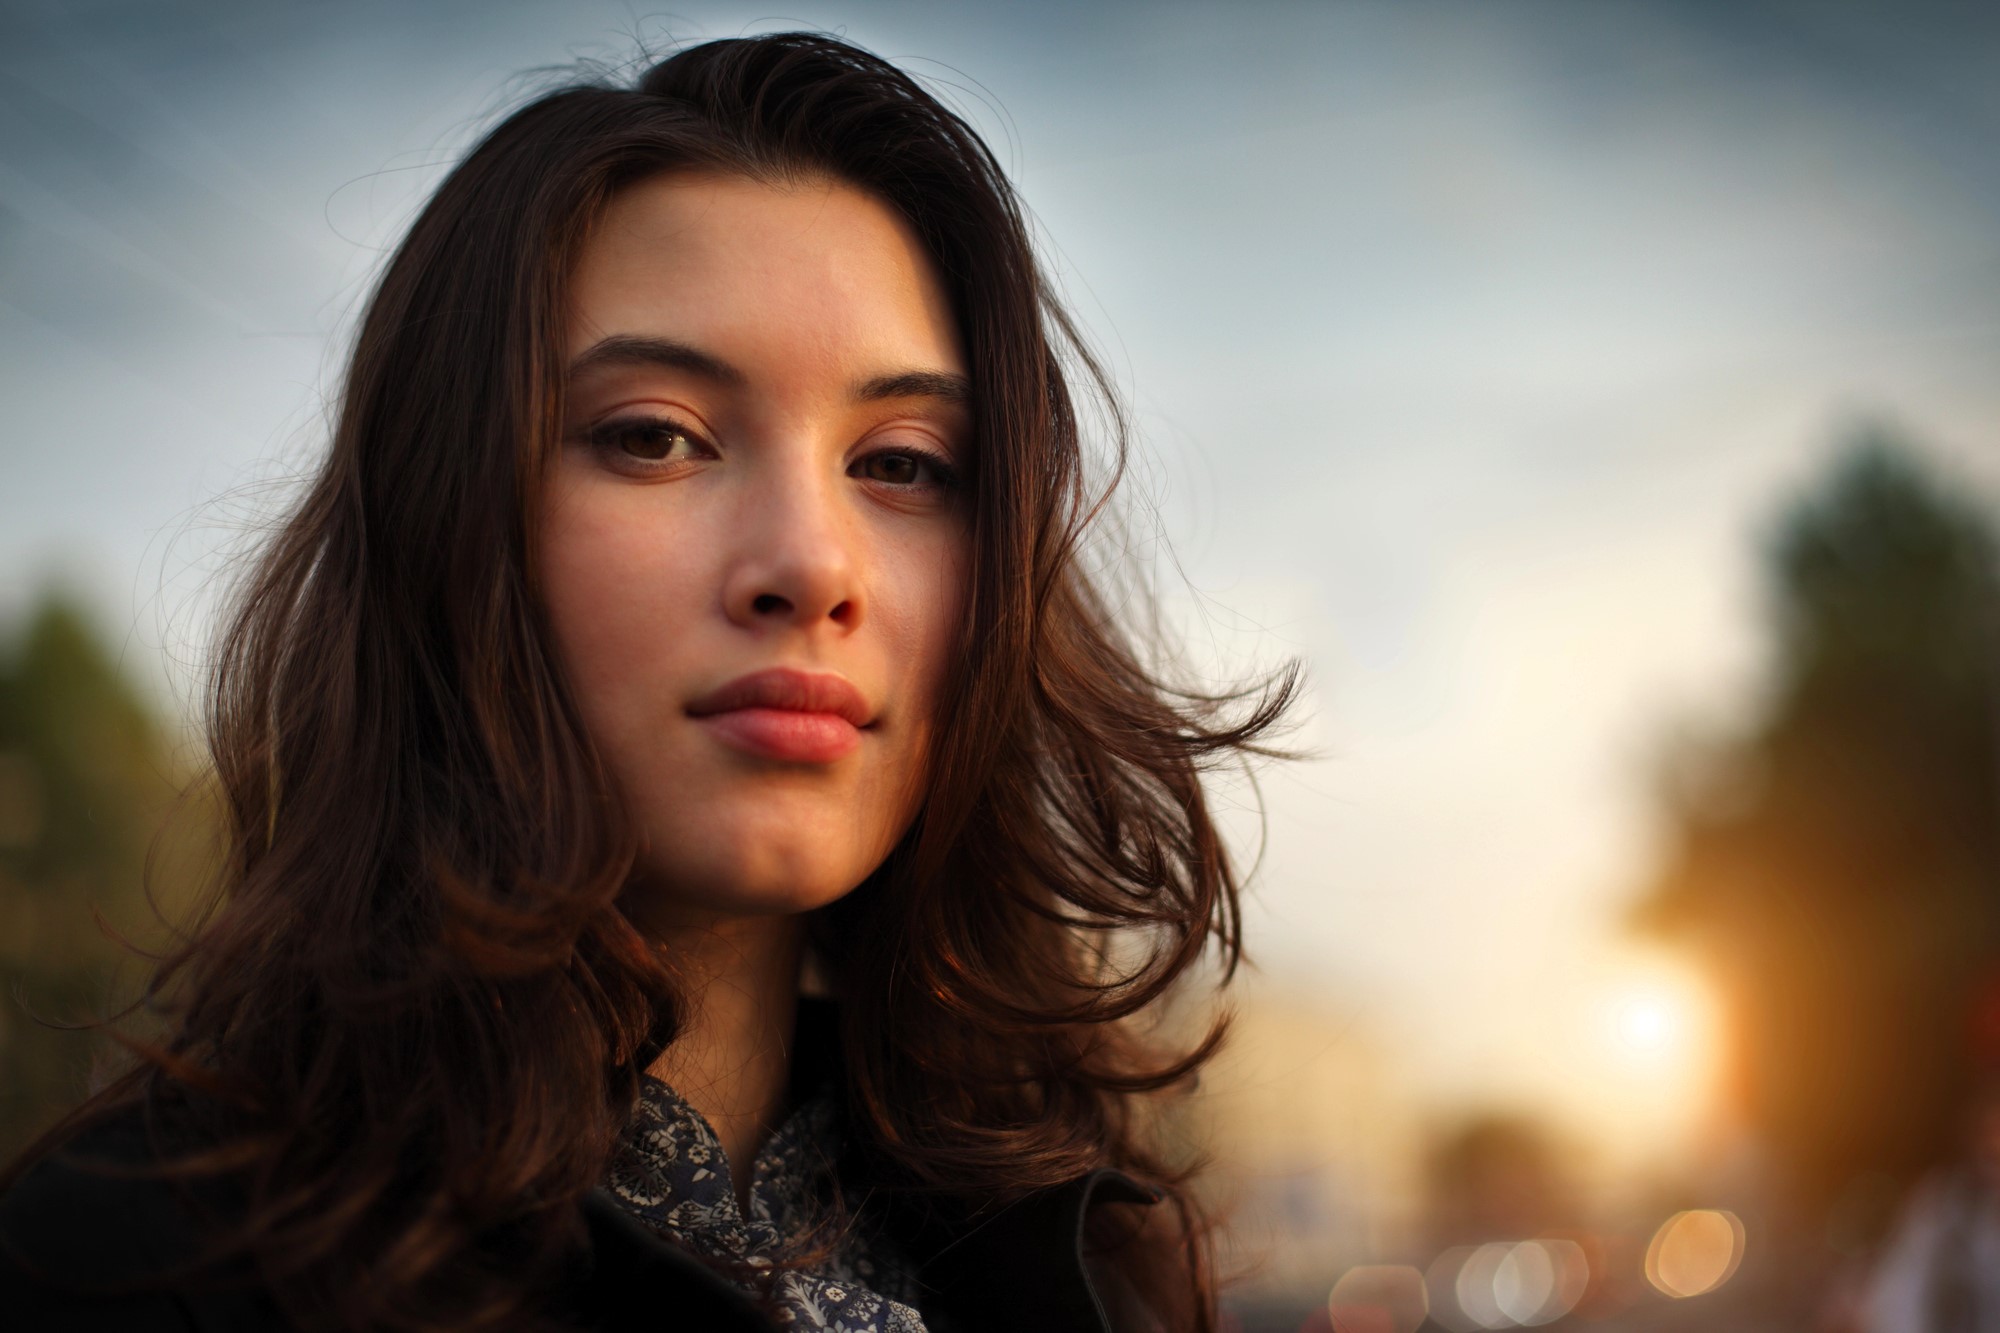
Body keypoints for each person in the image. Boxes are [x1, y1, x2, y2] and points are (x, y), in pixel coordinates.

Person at [0, 32, 1291, 1333]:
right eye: (656, 437)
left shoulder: (1095, 1270)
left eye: (902, 463)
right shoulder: (130, 1261)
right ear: (451, 520)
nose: (808, 563)